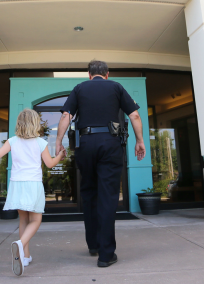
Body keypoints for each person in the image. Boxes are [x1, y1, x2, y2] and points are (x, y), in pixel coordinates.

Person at [56, 60, 146, 267]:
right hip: (110, 143)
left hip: (85, 144)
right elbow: (134, 115)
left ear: (89, 74)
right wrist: (140, 141)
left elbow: (66, 116)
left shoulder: (79, 88)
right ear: (107, 74)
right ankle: (106, 255)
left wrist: (58, 141)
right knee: (107, 195)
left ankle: (93, 244)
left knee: (89, 192)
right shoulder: (116, 86)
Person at [0, 109, 66, 276]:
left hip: (17, 184)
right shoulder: (40, 142)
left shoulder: (12, 141)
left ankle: (25, 257)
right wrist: (60, 155)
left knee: (24, 219)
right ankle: (21, 244)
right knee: (36, 219)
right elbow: (49, 164)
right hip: (32, 184)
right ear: (35, 124)